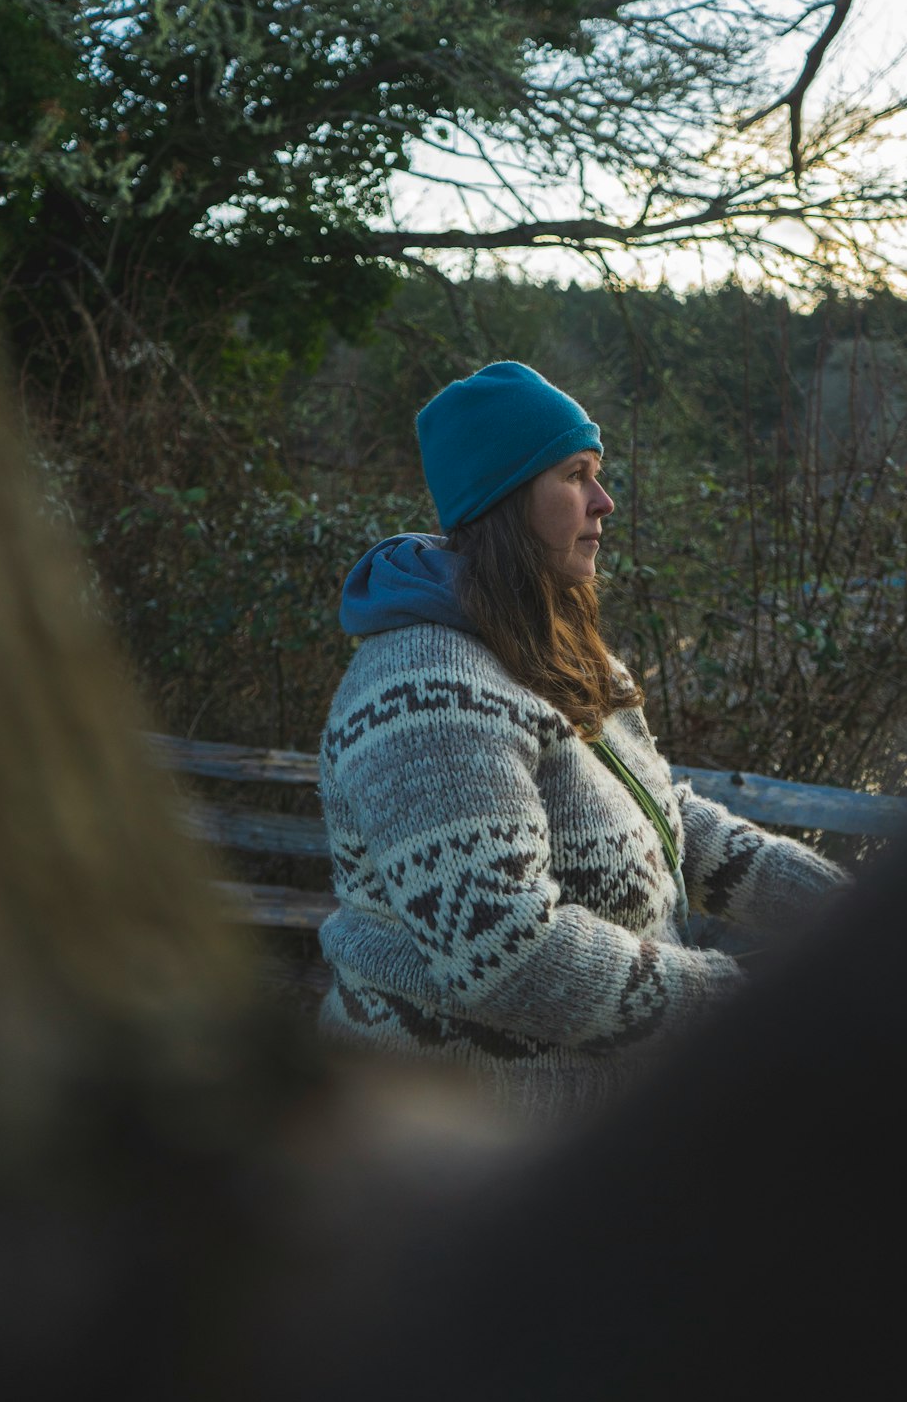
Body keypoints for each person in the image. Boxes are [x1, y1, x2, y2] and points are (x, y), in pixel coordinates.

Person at [317, 361, 847, 1120]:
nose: (605, 502)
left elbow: (670, 820)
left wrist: (844, 914)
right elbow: (506, 956)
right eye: (576, 475)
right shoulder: (428, 688)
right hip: (465, 1156)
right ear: (504, 499)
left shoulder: (554, 650)